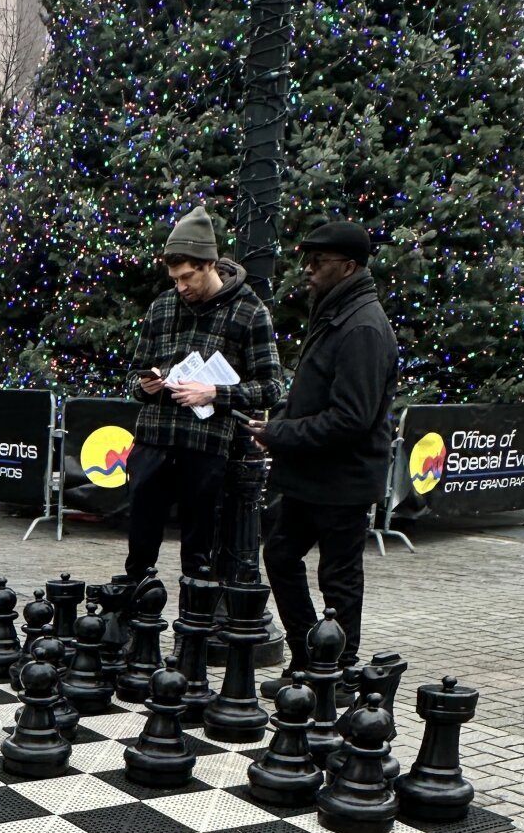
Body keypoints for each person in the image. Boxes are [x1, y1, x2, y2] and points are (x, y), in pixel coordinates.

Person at [246, 220, 398, 677]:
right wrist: (281, 425)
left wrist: (280, 435)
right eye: (306, 261)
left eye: (318, 262)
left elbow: (352, 418)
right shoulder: (336, 312)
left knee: (338, 577)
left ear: (348, 267)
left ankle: (335, 671)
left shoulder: (362, 327)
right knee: (280, 554)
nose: (307, 270)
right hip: (312, 475)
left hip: (342, 479)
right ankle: (311, 656)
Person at [124, 205, 284, 580]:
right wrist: (145, 386)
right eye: (174, 278)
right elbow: (133, 375)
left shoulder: (249, 311)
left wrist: (214, 392)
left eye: (186, 277)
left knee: (198, 554)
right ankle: (131, 626)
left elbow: (272, 387)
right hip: (154, 441)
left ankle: (193, 631)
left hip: (206, 446)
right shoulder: (163, 306)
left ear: (209, 264)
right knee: (139, 548)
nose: (180, 287)